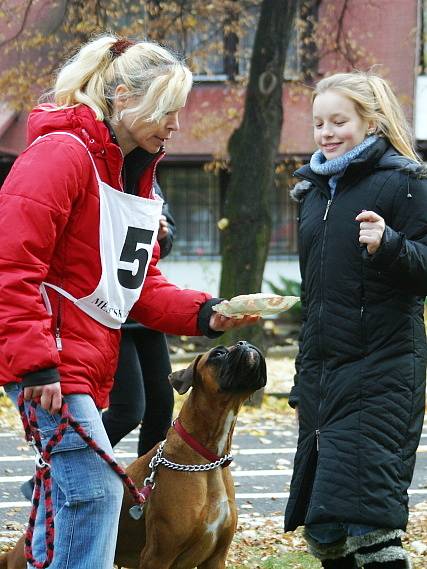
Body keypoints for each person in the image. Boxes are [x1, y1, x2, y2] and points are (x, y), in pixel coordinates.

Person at [0, 35, 258, 569]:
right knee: (96, 492)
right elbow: (9, 266)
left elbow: (135, 285)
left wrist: (207, 312)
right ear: (122, 97)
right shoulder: (61, 156)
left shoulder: (128, 175)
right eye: (168, 110)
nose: (176, 125)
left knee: (70, 497)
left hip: (76, 361)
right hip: (52, 362)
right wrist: (37, 365)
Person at [285, 71, 427, 569]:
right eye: (319, 122)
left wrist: (391, 245)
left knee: (370, 525)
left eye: (339, 120)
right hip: (326, 379)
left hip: (383, 373)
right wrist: (303, 385)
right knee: (323, 530)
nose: (326, 132)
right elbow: (317, 300)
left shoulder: (404, 182)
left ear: (371, 122)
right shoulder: (315, 193)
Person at [102, 178, 176, 455]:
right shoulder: (101, 168)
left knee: (161, 407)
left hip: (147, 307)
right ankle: (53, 472)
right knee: (129, 410)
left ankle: (147, 487)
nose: (168, 132)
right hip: (110, 308)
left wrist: (163, 235)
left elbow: (165, 241)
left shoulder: (150, 175)